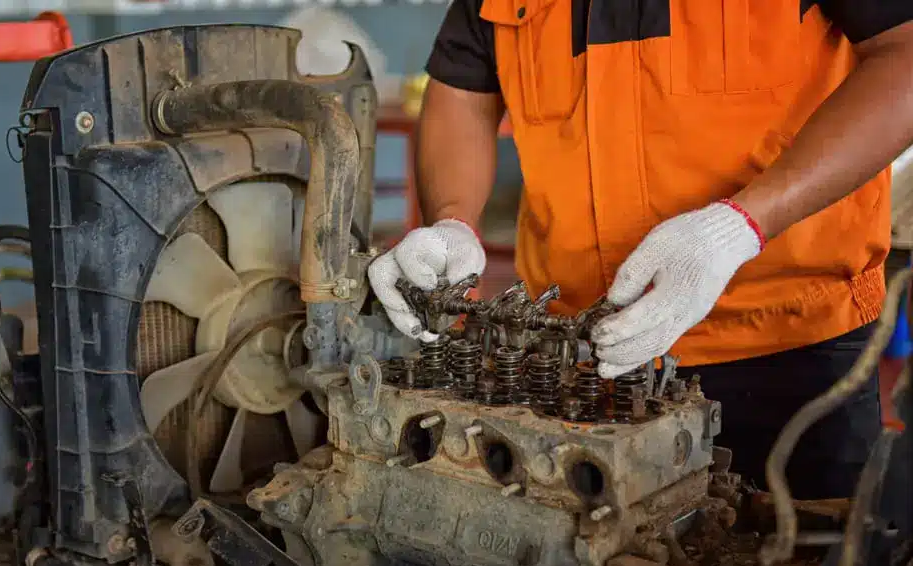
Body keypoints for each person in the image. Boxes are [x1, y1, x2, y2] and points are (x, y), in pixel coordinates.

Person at [369, 1, 913, 500]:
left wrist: (741, 226)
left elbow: (903, 55)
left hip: (790, 351)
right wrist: (453, 220)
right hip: (571, 359)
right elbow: (463, 89)